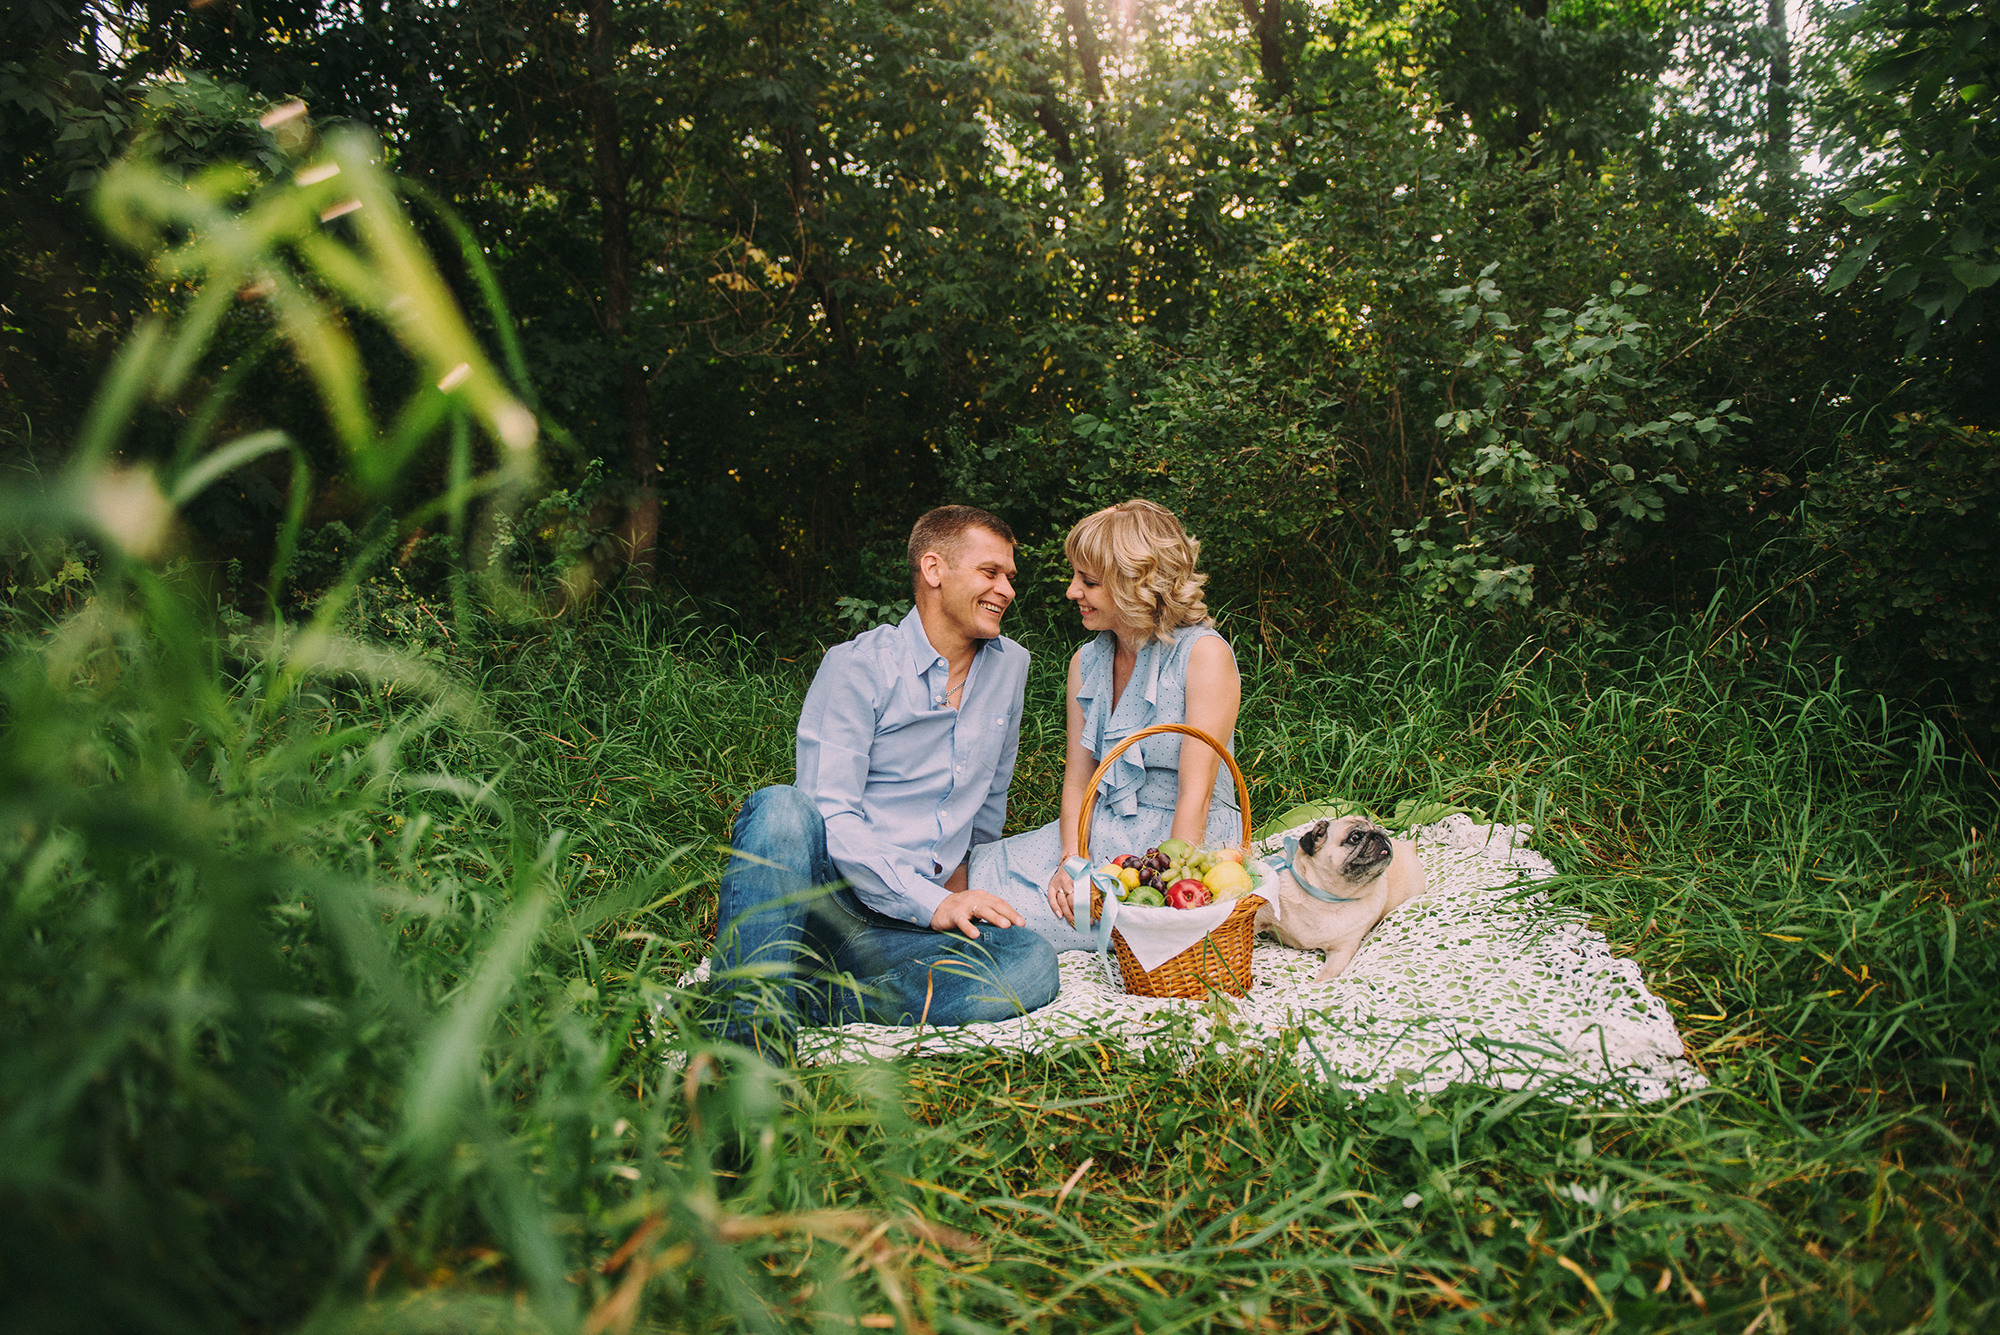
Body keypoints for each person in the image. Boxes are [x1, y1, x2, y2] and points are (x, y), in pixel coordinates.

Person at [705, 506, 1060, 1057]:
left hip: (906, 929)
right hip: (833, 903)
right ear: (934, 568)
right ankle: (747, 1051)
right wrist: (928, 900)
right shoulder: (857, 667)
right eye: (991, 572)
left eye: (1010, 576)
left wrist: (962, 889)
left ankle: (801, 999)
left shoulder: (1011, 665)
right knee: (780, 809)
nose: (1007, 589)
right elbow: (831, 814)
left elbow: (992, 793)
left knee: (1031, 964)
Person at [968, 499, 1242, 951]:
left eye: (1089, 582)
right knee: (974, 876)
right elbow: (1079, 779)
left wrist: (1164, 897)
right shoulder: (1087, 660)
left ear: (1139, 584)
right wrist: (1070, 863)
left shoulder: (1203, 655)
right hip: (1100, 828)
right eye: (1076, 577)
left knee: (1011, 920)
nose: (1073, 592)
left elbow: (1197, 794)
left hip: (1181, 843)